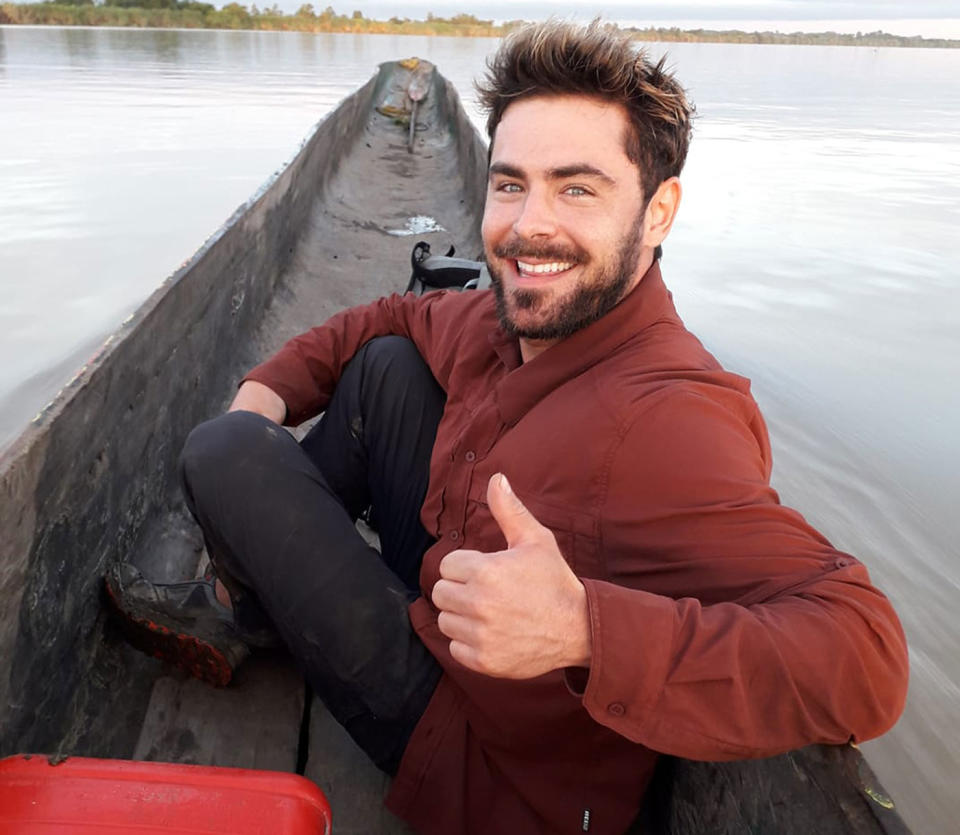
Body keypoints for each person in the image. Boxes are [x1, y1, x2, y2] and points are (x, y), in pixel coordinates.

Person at [106, 21, 909, 835]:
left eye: (578, 188)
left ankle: (248, 606)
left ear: (659, 211)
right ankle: (264, 601)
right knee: (384, 365)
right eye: (511, 183)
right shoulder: (509, 323)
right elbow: (390, 313)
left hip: (480, 756)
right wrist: (268, 390)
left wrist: (584, 629)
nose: (530, 227)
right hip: (452, 598)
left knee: (224, 452)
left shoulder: (668, 419)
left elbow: (868, 657)